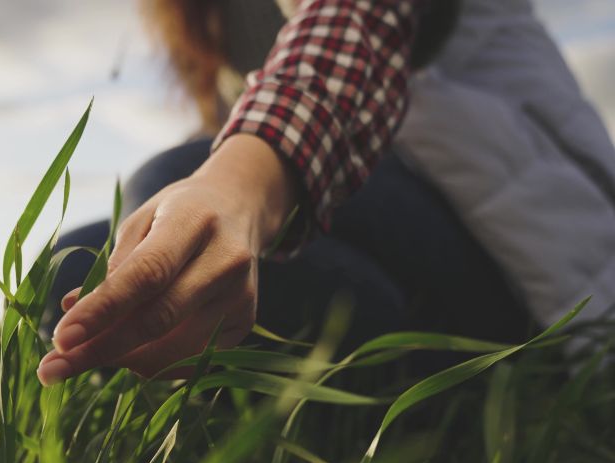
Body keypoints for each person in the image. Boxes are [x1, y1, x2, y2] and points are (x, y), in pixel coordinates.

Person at [36, 0, 615, 386]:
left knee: (176, 176)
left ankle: (445, 397)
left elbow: (354, 21)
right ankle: (355, 399)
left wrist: (232, 187)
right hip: (372, 228)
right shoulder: (207, 16)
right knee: (75, 265)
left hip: (514, 246)